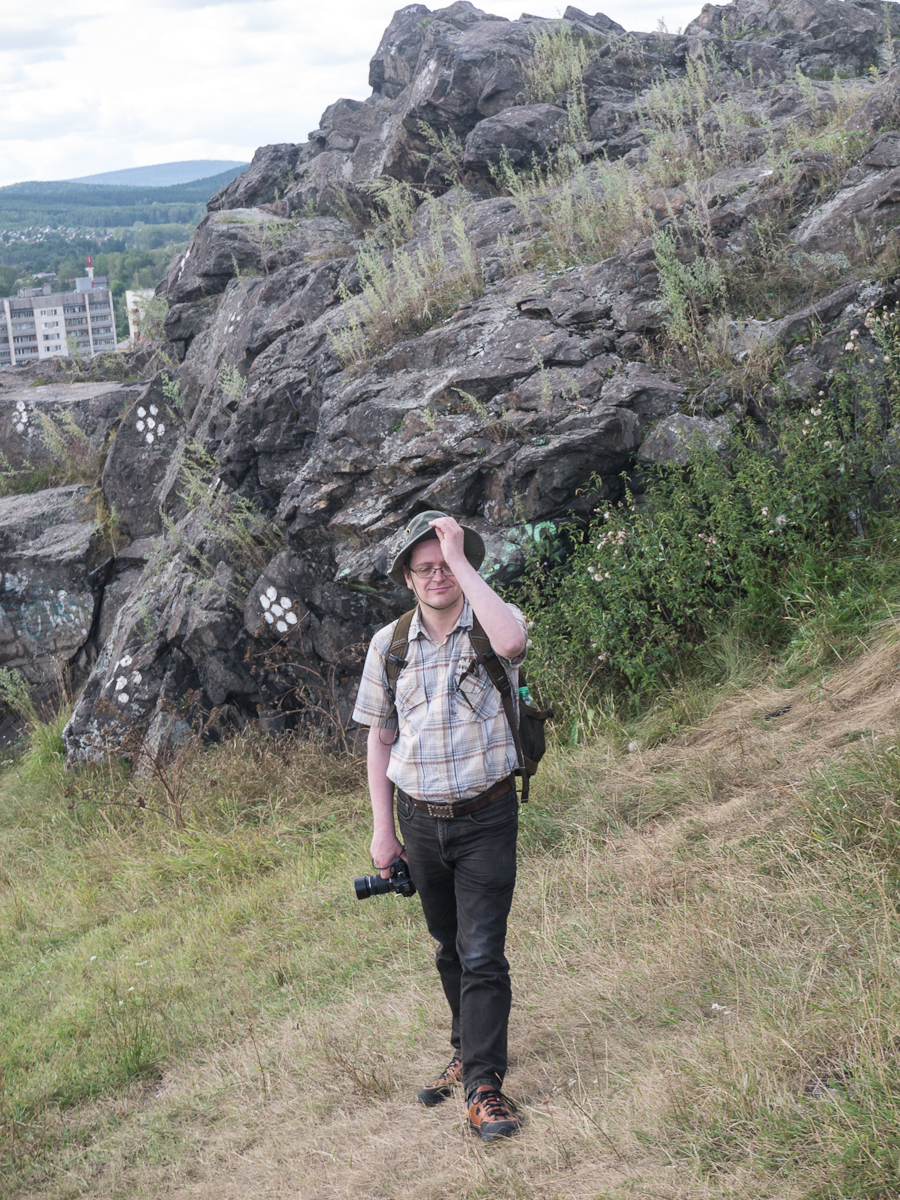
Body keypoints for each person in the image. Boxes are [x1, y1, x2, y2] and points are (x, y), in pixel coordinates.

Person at [351, 510, 528, 1142]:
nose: (437, 577)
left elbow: (514, 645)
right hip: (420, 822)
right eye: (424, 568)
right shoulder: (389, 645)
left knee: (482, 951)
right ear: (407, 578)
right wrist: (384, 830)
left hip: (487, 815)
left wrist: (460, 558)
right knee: (450, 945)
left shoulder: (491, 623)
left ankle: (483, 1086)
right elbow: (380, 738)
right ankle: (465, 1048)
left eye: (446, 565)